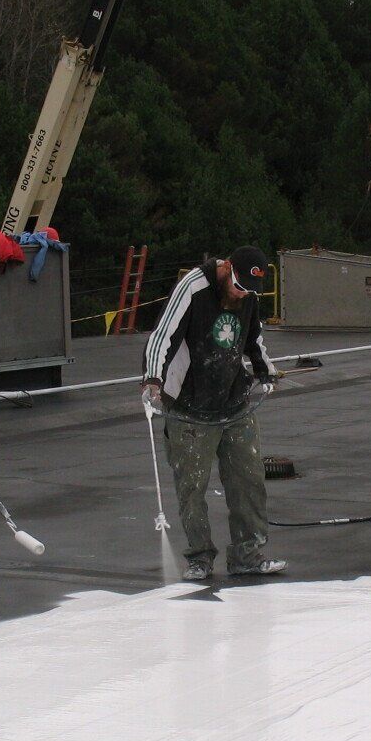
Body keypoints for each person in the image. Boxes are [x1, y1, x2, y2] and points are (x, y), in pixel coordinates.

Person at [143, 246, 283, 583]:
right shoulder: (193, 288)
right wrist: (153, 378)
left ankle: (247, 556)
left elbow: (253, 336)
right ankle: (200, 557)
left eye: (248, 290)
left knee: (249, 481)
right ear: (227, 268)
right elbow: (162, 336)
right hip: (190, 409)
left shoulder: (249, 294)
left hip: (234, 404)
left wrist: (265, 370)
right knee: (192, 489)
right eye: (237, 285)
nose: (241, 294)